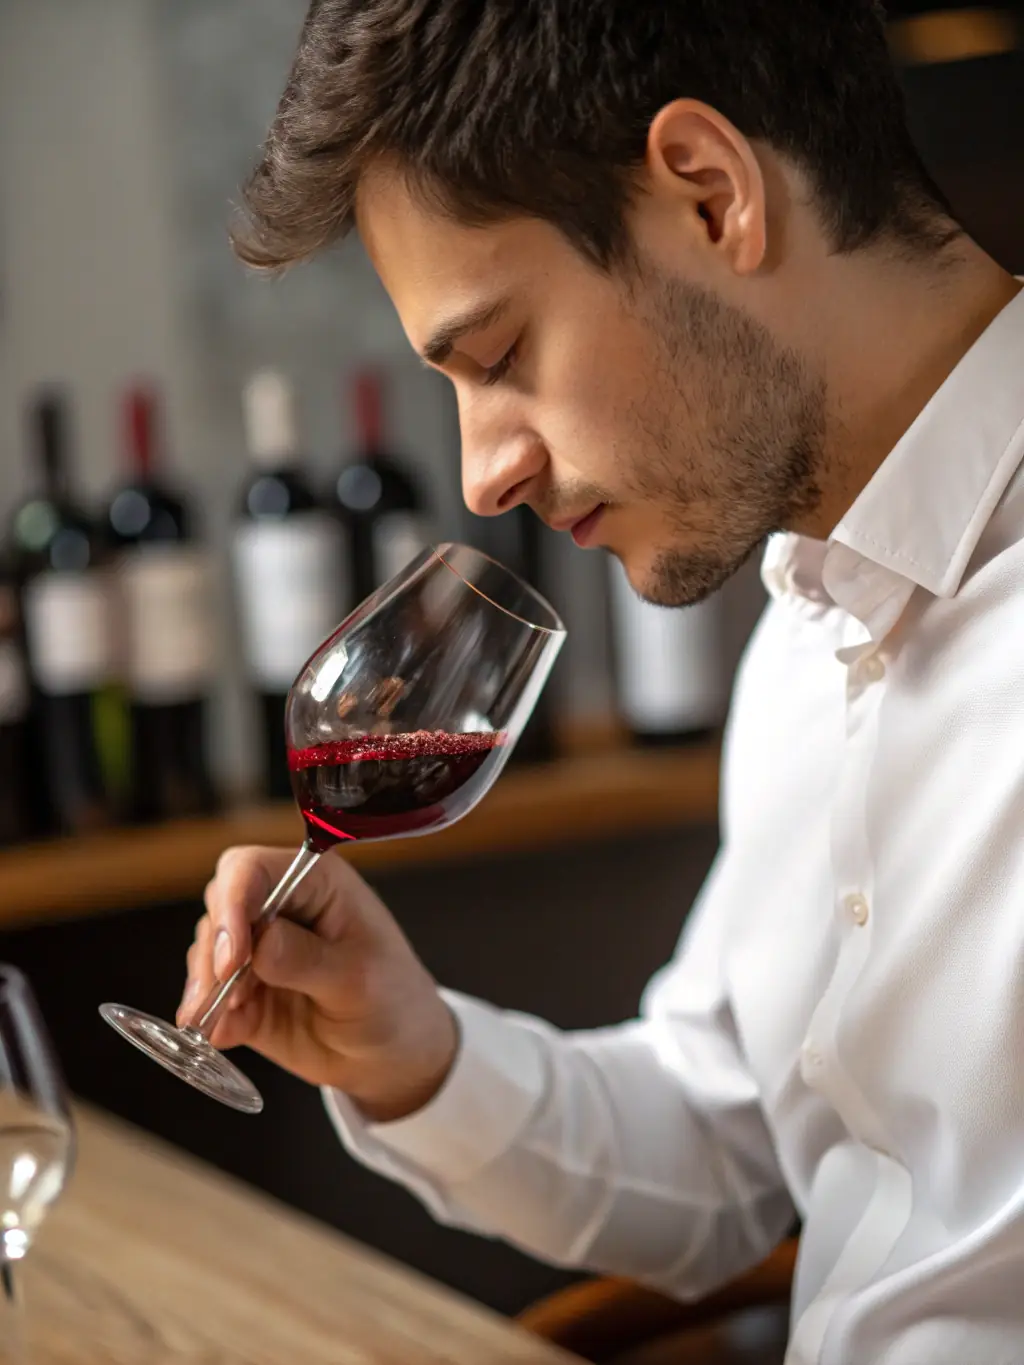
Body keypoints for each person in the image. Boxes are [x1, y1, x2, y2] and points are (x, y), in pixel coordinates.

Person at [180, 3, 1024, 1360]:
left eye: (499, 355)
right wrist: (414, 1054)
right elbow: (725, 1145)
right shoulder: (809, 627)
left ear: (709, 194)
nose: (482, 475)